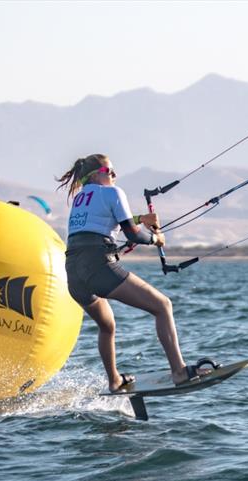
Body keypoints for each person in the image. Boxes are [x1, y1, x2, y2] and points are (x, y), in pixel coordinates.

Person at [56, 153, 210, 392]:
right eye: (109, 172)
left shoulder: (80, 199)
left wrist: (141, 218)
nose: (115, 176)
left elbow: (105, 219)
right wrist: (155, 238)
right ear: (96, 175)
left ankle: (115, 381)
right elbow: (132, 234)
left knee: (107, 326)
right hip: (98, 266)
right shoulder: (113, 193)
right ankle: (179, 371)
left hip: (74, 274)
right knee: (163, 306)